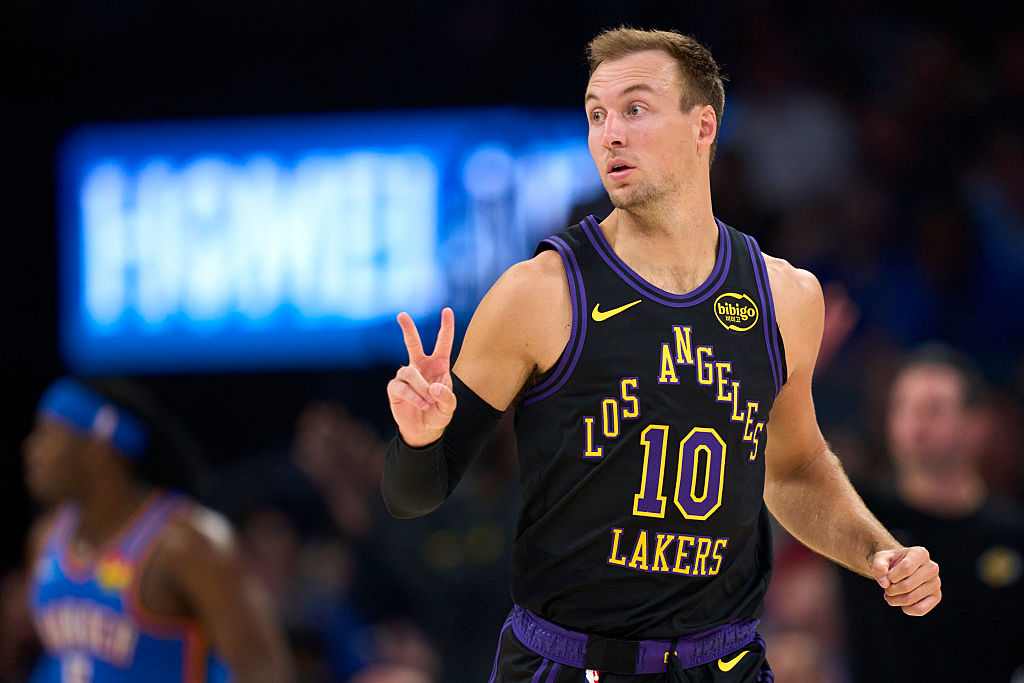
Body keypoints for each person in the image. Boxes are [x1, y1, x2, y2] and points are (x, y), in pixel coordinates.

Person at [382, 27, 942, 682]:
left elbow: (791, 468)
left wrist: (879, 551)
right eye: (596, 114)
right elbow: (411, 493)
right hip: (570, 663)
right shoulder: (538, 293)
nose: (609, 133)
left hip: (723, 662)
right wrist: (419, 438)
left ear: (702, 125)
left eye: (635, 109)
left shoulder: (786, 296)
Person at [21, 376, 294, 682]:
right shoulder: (46, 538)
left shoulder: (187, 541)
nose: (32, 450)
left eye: (47, 434)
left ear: (98, 447)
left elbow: (262, 669)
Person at [838, 344, 1024, 682]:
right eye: (904, 408)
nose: (915, 424)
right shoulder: (860, 515)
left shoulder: (1013, 533)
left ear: (977, 425)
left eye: (933, 410)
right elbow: (789, 464)